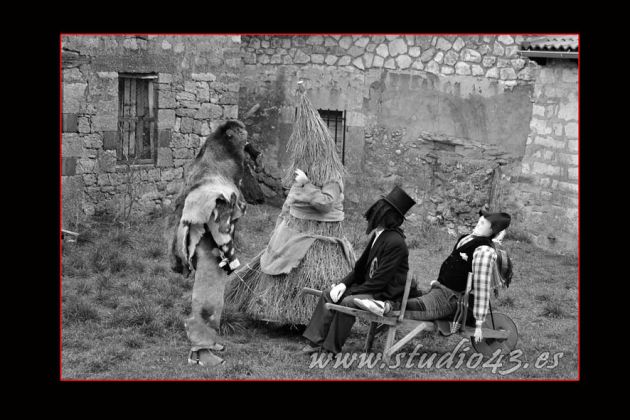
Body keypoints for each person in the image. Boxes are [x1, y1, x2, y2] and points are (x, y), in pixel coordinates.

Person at [354, 208, 511, 343]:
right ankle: (385, 302)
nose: (478, 224)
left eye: (483, 223)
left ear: (492, 231)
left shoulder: (484, 251)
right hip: (440, 290)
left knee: (418, 306)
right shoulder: (469, 239)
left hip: (453, 300)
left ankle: (385, 307)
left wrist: (479, 324)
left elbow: (482, 288)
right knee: (413, 295)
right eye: (480, 221)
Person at [301, 186, 419, 354]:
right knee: (329, 293)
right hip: (370, 288)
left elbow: (380, 282)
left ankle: (330, 349)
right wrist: (342, 284)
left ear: (388, 215)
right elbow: (360, 268)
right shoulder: (379, 235)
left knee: (349, 301)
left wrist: (350, 292)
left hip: (384, 295)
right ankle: (314, 343)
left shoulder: (396, 243)